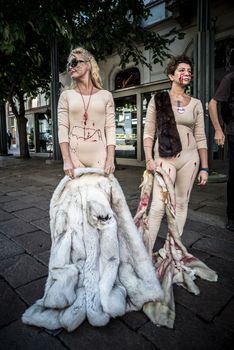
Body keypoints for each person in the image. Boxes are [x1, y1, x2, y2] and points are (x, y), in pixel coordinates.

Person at [143, 55, 209, 253]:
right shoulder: (158, 100)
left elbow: (201, 137)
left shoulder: (196, 103)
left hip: (190, 160)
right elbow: (148, 133)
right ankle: (144, 254)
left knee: (181, 203)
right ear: (171, 75)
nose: (186, 73)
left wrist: (205, 167)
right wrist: (148, 159)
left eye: (189, 71)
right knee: (157, 206)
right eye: (181, 70)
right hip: (164, 159)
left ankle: (171, 252)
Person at [58, 47, 116, 176]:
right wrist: (66, 160)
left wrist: (111, 159)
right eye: (68, 64)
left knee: (100, 195)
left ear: (88, 64)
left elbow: (110, 128)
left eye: (74, 62)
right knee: (78, 195)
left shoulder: (105, 95)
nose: (70, 67)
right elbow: (62, 128)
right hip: (74, 157)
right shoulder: (66, 96)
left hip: (100, 156)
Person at [208, 71, 234, 232]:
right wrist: (218, 130)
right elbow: (212, 103)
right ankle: (232, 216)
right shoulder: (230, 78)